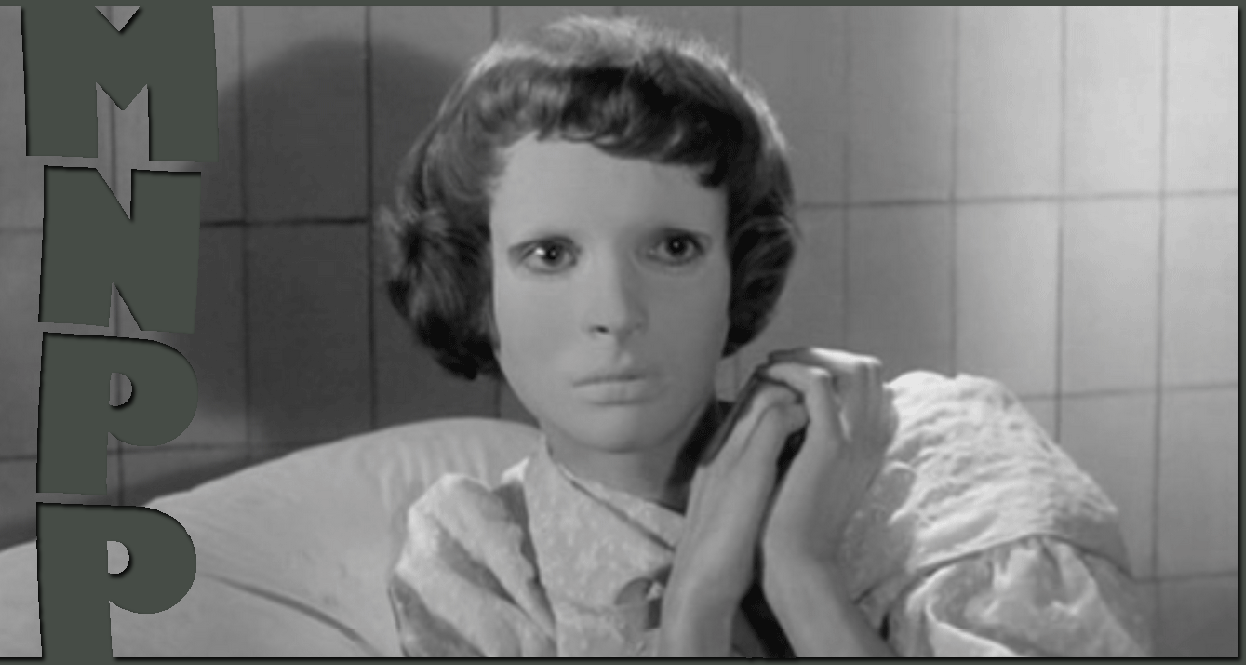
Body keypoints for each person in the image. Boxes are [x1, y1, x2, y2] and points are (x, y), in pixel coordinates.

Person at [377, 15, 1150, 657]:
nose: (615, 309)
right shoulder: (477, 560)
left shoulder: (936, 471)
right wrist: (698, 602)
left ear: (737, 268)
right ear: (476, 287)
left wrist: (801, 572)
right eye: (549, 255)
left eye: (672, 247)